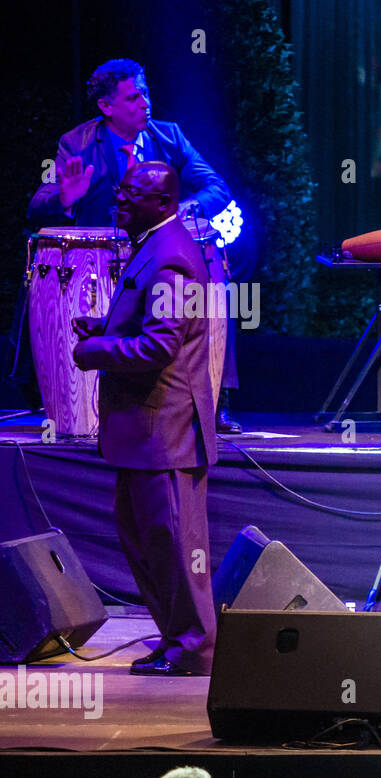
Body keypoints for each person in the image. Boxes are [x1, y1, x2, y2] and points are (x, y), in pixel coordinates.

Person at [28, 58, 241, 432]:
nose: (144, 102)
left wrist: (180, 211)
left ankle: (216, 397)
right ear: (106, 107)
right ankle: (79, 406)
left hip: (159, 256)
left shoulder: (168, 136)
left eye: (144, 93)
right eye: (132, 97)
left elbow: (216, 189)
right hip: (98, 261)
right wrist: (64, 196)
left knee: (211, 274)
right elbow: (36, 204)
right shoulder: (75, 143)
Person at [72, 161, 218, 677]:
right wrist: (106, 326)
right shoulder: (155, 244)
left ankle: (195, 650)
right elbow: (149, 326)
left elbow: (158, 346)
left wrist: (94, 352)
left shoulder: (172, 256)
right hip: (145, 432)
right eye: (121, 192)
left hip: (166, 431)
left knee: (176, 548)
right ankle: (176, 640)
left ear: (163, 202)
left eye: (132, 195)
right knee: (146, 544)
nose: (120, 201)